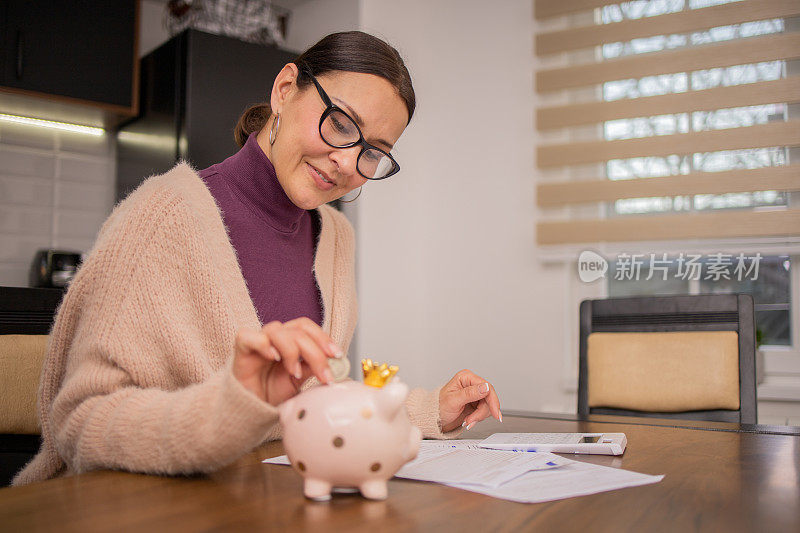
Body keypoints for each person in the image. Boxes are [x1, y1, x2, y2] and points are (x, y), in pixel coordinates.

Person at [13, 31, 501, 486]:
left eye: (373, 151)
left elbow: (319, 396)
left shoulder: (334, 235)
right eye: (340, 124)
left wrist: (431, 409)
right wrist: (235, 404)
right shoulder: (164, 214)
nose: (349, 163)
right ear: (286, 89)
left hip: (263, 496)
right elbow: (82, 424)